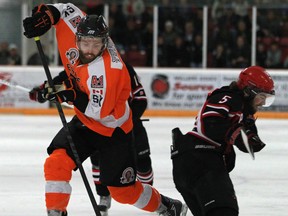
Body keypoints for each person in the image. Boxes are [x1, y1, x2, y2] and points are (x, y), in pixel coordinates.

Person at [23, 3, 187, 216]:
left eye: (96, 44)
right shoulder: (76, 28)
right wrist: (45, 16)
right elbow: (64, 9)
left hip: (113, 131)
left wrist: (64, 95)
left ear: (105, 43)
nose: (90, 49)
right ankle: (56, 212)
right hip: (84, 123)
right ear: (78, 37)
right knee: (56, 162)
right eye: (86, 43)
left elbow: (97, 111)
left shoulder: (110, 70)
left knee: (123, 193)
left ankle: (166, 206)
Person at [170, 66, 275, 216]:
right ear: (248, 91)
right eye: (262, 97)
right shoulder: (228, 97)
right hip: (201, 161)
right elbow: (210, 123)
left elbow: (247, 143)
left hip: (191, 163)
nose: (263, 103)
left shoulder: (244, 110)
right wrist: (237, 132)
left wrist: (250, 137)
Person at [90, 62, 154, 215]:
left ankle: (151, 196)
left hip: (129, 124)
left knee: (143, 160)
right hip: (101, 127)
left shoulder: (124, 67)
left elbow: (141, 99)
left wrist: (126, 121)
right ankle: (104, 196)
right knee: (97, 161)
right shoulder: (88, 67)